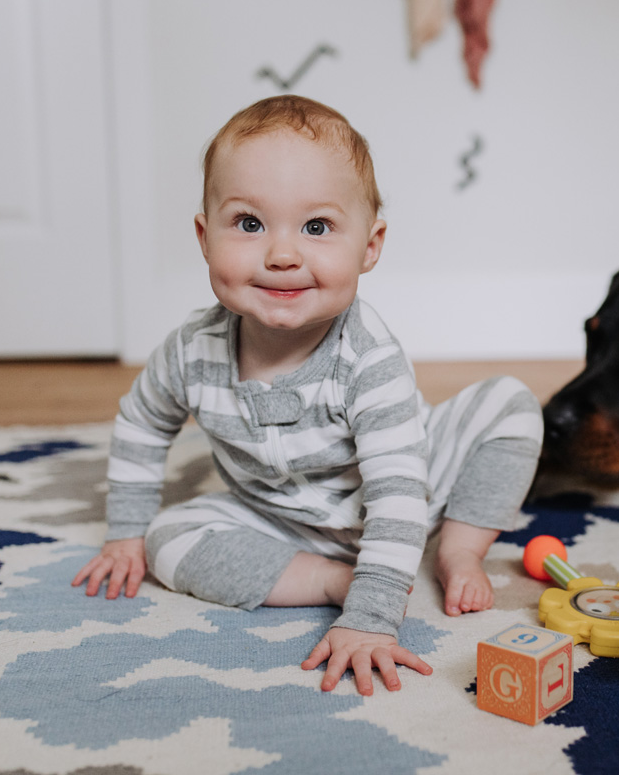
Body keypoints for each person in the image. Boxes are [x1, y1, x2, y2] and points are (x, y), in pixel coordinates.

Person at [72, 95, 543, 696]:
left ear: (369, 246)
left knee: (510, 404)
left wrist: (371, 620)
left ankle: (458, 548)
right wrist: (125, 532)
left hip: (408, 492)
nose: (282, 255)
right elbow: (143, 421)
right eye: (249, 224)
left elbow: (398, 492)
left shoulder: (367, 357)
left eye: (316, 227)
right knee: (166, 540)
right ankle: (327, 579)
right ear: (204, 237)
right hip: (276, 518)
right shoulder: (192, 350)